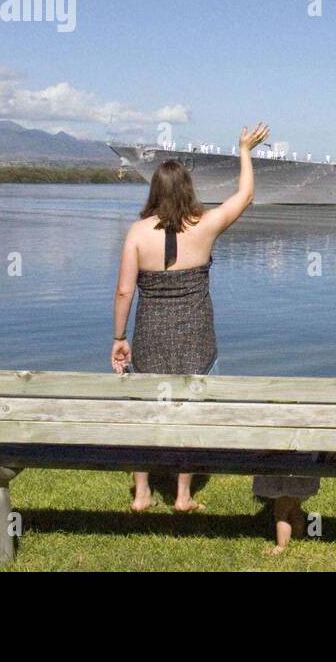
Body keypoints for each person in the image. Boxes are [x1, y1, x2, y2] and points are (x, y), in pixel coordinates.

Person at [111, 122, 270, 512]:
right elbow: (245, 195)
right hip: (196, 337)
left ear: (154, 190)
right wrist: (244, 150)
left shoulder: (136, 232)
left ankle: (142, 494)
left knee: (145, 411)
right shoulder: (206, 225)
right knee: (189, 410)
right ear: (188, 190)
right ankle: (182, 497)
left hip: (150, 336)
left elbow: (124, 291)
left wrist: (119, 339)